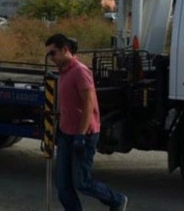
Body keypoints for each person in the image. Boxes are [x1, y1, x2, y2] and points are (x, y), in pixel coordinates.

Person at [45, 33, 128, 211]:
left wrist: (80, 136)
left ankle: (116, 200)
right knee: (62, 186)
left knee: (81, 182)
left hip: (84, 135)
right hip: (66, 134)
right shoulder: (63, 73)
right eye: (49, 55)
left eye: (53, 53)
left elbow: (89, 104)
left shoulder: (80, 71)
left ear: (65, 50)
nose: (51, 58)